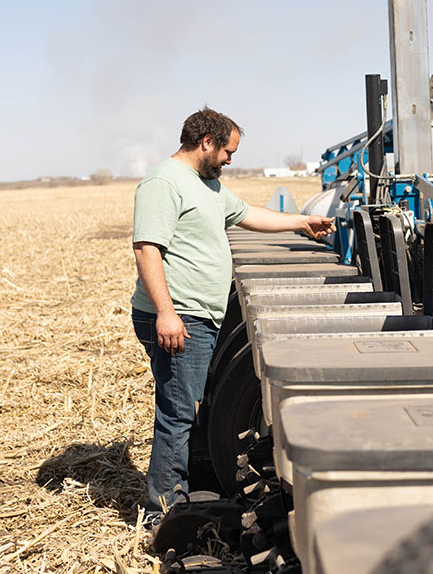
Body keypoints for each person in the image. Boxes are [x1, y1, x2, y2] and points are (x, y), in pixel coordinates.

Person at [130, 107, 334, 525]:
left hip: (196, 315)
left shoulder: (206, 185)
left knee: (185, 406)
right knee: (177, 412)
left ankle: (175, 492)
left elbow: (249, 215)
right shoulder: (163, 183)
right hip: (178, 317)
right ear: (206, 141)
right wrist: (167, 314)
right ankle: (162, 511)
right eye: (227, 151)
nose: (229, 160)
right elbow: (146, 248)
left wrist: (302, 223)